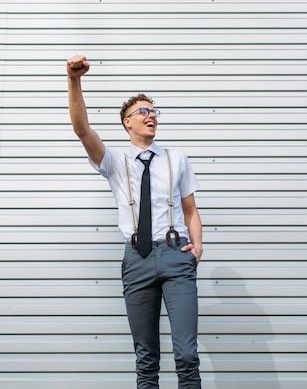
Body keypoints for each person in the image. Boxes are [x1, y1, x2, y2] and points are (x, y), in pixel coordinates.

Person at [66, 54, 203, 389]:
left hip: (175, 255)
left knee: (186, 355)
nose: (151, 115)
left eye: (154, 110)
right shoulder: (114, 160)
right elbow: (81, 129)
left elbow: (190, 210)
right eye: (143, 111)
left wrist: (196, 248)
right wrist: (74, 79)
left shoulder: (176, 158)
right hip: (136, 259)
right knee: (146, 359)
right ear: (127, 122)